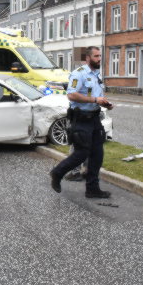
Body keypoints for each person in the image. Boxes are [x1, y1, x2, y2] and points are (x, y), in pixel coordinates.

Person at [49, 46, 114, 198]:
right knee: (82, 153)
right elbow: (71, 95)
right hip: (81, 119)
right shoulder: (79, 74)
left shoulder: (96, 74)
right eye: (96, 56)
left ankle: (92, 188)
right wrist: (95, 99)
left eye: (100, 56)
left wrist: (104, 103)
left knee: (98, 154)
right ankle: (57, 173)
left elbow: (96, 96)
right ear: (88, 58)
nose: (99, 59)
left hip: (95, 118)